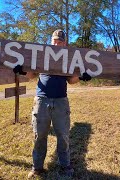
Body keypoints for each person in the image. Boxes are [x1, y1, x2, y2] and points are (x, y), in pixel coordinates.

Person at [13, 29, 92, 178]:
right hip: (41, 100)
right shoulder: (41, 56)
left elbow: (71, 80)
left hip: (61, 101)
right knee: (39, 135)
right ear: (51, 41)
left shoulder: (68, 59)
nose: (57, 43)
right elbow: (31, 75)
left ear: (65, 43)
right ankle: (37, 167)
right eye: (55, 40)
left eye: (60, 41)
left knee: (63, 135)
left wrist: (81, 77)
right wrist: (22, 71)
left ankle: (65, 166)